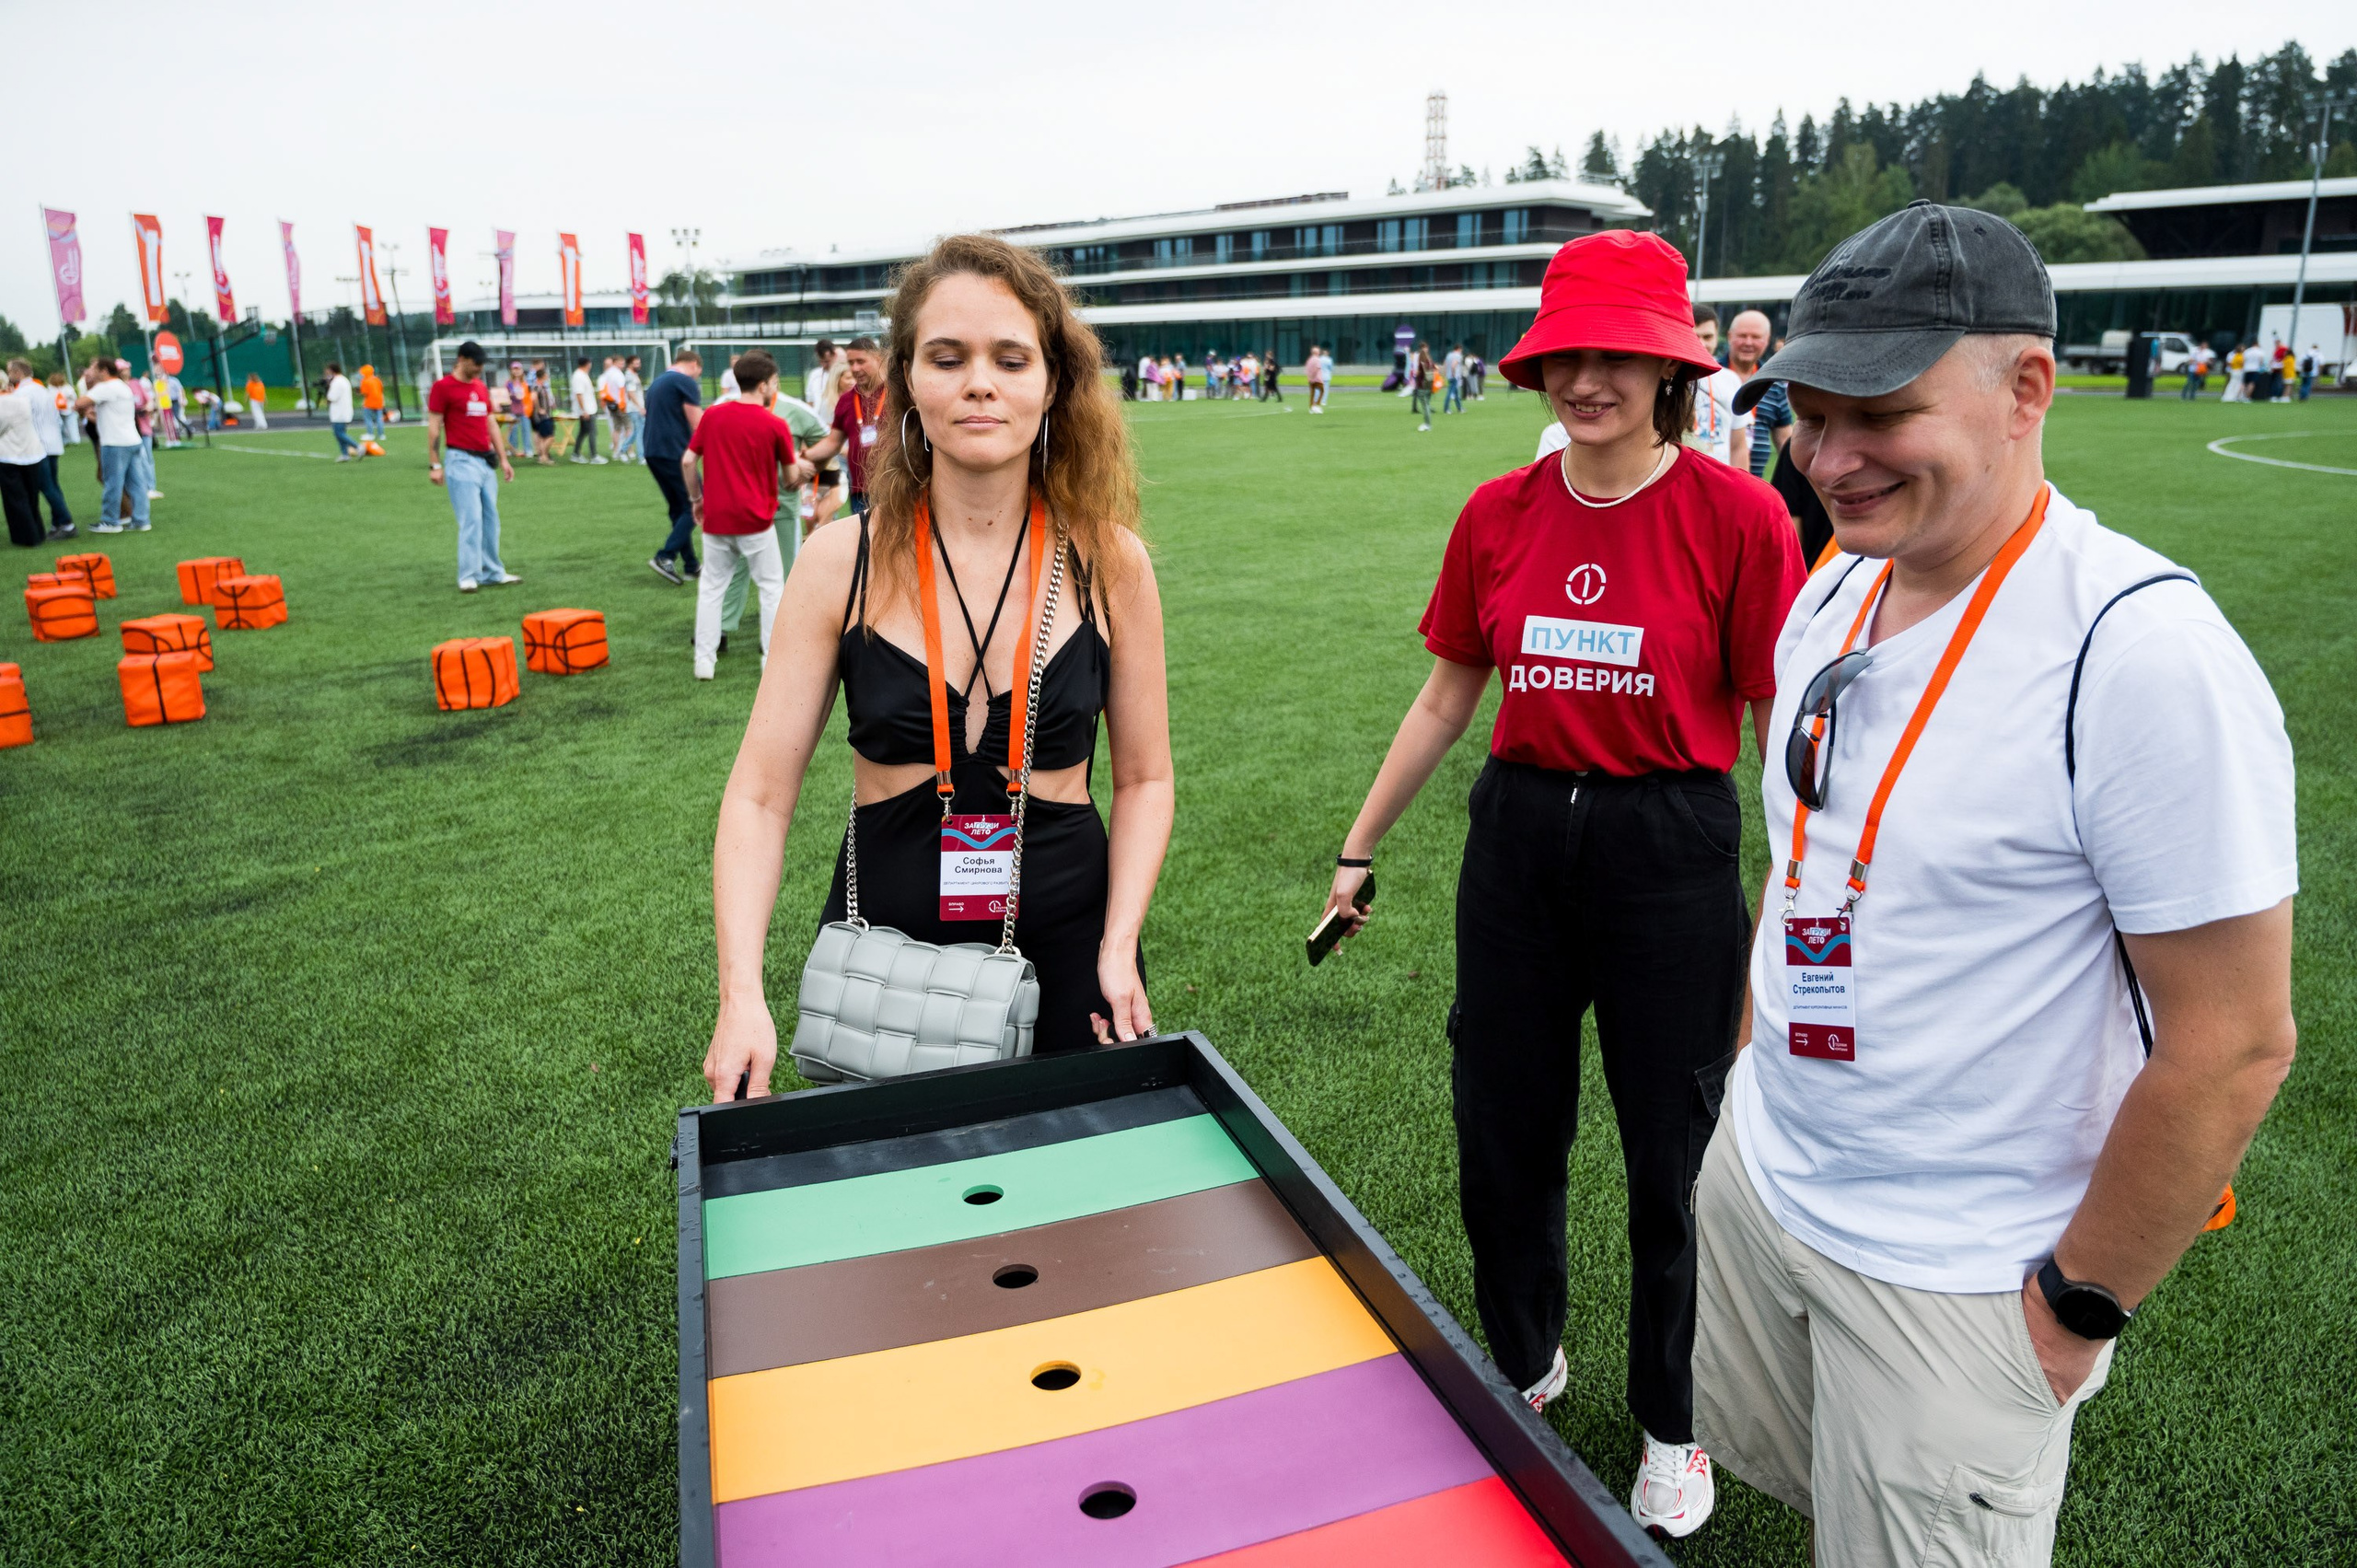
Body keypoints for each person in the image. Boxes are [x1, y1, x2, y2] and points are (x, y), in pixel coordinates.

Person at [1701, 200, 2296, 1568]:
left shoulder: (2138, 652)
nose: (1828, 458)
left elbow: (2236, 1040)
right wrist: (1747, 1089)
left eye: (1881, 412)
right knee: (1821, 1509)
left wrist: (2072, 1309)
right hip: (1772, 1175)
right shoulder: (1833, 589)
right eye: (1806, 409)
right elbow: (1805, 864)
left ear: (2027, 386)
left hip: (1961, 1265)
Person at [1318, 227, 1803, 1541]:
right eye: (1567, 355)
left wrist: (1793, 900)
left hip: (1671, 851)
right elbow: (1444, 695)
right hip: (1521, 839)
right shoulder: (1498, 513)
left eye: (1620, 355)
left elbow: (1773, 726)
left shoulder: (1741, 514)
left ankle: (1671, 1415)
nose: (1588, 378)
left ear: (1669, 371)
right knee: (1504, 1125)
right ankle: (1524, 1361)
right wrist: (1359, 847)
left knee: (1675, 1156)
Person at [702, 231, 1173, 1098]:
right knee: (894, 1226)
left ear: (1053, 380)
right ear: (907, 380)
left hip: (1078, 959)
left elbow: (1145, 778)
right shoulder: (839, 560)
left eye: (1010, 357)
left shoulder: (1113, 562)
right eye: (947, 358)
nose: (980, 383)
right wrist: (742, 994)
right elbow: (760, 795)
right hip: (884, 971)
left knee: (1082, 1215)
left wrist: (1119, 942)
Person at [683, 351, 810, 679]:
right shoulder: (775, 424)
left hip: (717, 519)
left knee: (711, 588)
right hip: (756, 521)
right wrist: (801, 470)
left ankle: (704, 662)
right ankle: (770, 658)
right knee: (771, 588)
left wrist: (696, 498)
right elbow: (789, 478)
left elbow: (687, 461)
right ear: (766, 384)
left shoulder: (712, 415)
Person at [425, 341, 520, 593]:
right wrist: (435, 463)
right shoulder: (442, 387)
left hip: (485, 462)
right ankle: (468, 575)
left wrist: (503, 459)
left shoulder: (480, 387)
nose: (479, 370)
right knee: (471, 520)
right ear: (461, 359)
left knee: (491, 519)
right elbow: (434, 426)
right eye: (475, 364)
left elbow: (490, 423)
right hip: (461, 460)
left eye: (481, 365)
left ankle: (493, 572)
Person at [797, 336, 888, 520]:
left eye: (861, 362)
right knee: (865, 545)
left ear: (878, 359)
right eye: (851, 363)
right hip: (861, 491)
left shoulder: (898, 393)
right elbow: (832, 443)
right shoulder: (846, 401)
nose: (855, 368)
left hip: (895, 487)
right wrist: (803, 457)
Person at [644, 348, 706, 585]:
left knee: (679, 508)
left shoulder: (657, 382)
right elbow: (698, 423)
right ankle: (665, 555)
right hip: (675, 452)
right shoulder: (684, 382)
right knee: (698, 503)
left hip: (653, 452)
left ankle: (691, 564)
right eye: (698, 372)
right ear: (693, 364)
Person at [76, 360, 148, 532]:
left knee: (112, 483)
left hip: (115, 443)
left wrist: (85, 403)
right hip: (132, 440)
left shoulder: (105, 388)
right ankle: (141, 520)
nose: (89, 371)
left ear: (103, 370)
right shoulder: (122, 386)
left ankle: (110, 521)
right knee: (137, 484)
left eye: (93, 368)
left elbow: (79, 404)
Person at [1727, 311, 1789, 477]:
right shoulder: (1709, 377)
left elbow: (1785, 442)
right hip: (1713, 478)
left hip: (1756, 482)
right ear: (1729, 336)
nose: (1748, 343)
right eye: (1742, 336)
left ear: (1767, 340)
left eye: (1756, 337)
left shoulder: (1774, 384)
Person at [1689, 306, 1752, 467]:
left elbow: (1738, 446)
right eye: (1694, 337)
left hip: (1720, 476)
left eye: (1708, 337)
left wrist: (1741, 486)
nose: (1702, 344)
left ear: (1717, 337)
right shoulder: (1667, 378)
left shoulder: (1730, 379)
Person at [0, 360, 46, 547]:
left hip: (9, 455)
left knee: (16, 499)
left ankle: (27, 537)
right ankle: (38, 532)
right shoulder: (21, 399)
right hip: (32, 452)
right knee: (31, 496)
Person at [24, 366, 72, 541]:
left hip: (40, 445)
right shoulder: (44, 391)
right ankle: (58, 523)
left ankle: (67, 523)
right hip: (53, 443)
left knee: (46, 486)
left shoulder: (24, 393)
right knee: (53, 485)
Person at [568, 357, 604, 463]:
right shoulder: (579, 376)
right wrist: (584, 410)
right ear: (588, 364)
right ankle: (594, 456)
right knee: (592, 432)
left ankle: (575, 454)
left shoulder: (582, 374)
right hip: (586, 410)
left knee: (583, 432)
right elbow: (579, 394)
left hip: (588, 409)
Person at [324, 362, 360, 461]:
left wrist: (327, 390)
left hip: (339, 413)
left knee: (339, 433)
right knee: (339, 433)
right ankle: (345, 454)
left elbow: (331, 397)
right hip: (344, 411)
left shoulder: (337, 382)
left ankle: (358, 447)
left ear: (332, 370)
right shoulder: (343, 380)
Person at [1410, 341, 1435, 431]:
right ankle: (1427, 424)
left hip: (1422, 384)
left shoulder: (1420, 361)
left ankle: (1427, 425)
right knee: (1427, 404)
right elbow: (1435, 369)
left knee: (1425, 406)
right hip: (1429, 384)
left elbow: (1417, 373)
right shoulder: (1429, 361)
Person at [357, 364, 386, 441]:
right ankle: (381, 435)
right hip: (379, 402)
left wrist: (358, 393)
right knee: (379, 419)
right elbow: (381, 389)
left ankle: (370, 434)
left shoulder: (365, 381)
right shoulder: (377, 380)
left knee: (368, 419)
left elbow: (365, 393)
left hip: (369, 403)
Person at [1443, 343, 1465, 413]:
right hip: (1454, 376)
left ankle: (1460, 408)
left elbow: (1445, 364)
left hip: (1449, 376)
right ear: (1459, 349)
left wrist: (1445, 373)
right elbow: (1453, 365)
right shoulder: (1458, 356)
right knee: (1450, 393)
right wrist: (1453, 373)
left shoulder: (1449, 355)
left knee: (1456, 393)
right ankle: (1446, 409)